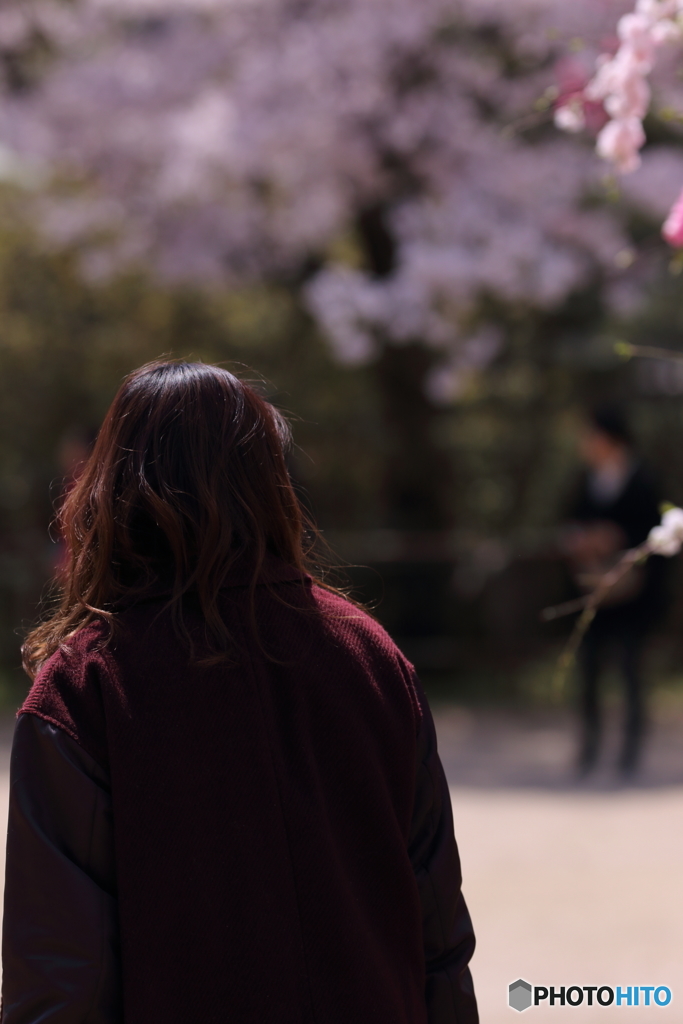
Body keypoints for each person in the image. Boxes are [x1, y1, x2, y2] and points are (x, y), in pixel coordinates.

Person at [1, 361, 478, 1024]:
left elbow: (59, 980)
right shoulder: (369, 656)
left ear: (111, 487)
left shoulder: (87, 687)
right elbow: (440, 940)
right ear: (266, 482)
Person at [564, 405, 666, 777]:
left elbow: (655, 535)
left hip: (634, 595)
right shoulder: (586, 479)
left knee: (630, 671)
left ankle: (630, 752)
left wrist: (618, 537)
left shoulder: (642, 479)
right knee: (589, 668)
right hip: (594, 590)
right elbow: (570, 520)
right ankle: (589, 747)